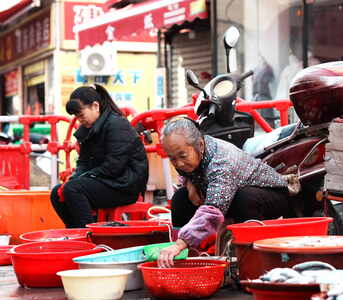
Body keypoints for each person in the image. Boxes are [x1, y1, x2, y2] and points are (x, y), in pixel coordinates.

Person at [157, 118, 295, 267]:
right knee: (180, 199)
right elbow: (186, 174)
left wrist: (180, 243)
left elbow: (213, 209)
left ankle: (249, 261)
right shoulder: (194, 151)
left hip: (272, 196)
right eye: (173, 159)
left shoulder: (222, 161)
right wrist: (190, 185)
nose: (179, 164)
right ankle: (185, 259)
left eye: (182, 156)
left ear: (200, 145)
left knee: (243, 199)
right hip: (230, 195)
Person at [50, 84, 149, 228]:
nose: (79, 120)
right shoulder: (88, 129)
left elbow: (114, 166)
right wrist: (77, 176)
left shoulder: (117, 124)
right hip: (106, 180)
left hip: (124, 185)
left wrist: (84, 177)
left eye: (81, 115)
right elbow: (83, 161)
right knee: (56, 193)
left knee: (73, 189)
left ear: (95, 106)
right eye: (77, 117)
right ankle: (74, 232)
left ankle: (88, 234)